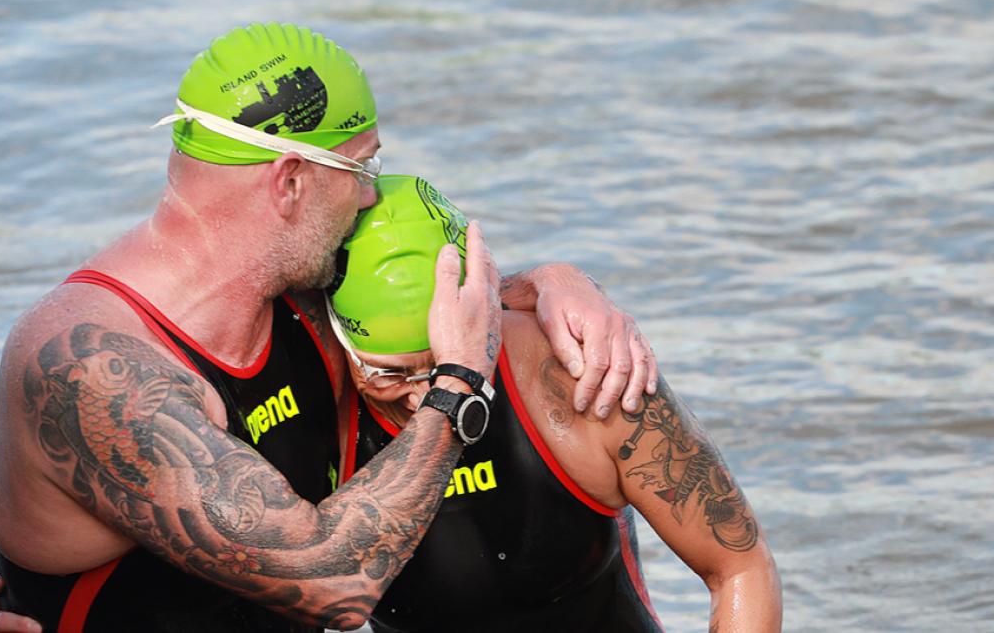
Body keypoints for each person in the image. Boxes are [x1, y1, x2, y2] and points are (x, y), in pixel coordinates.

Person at [0, 22, 658, 633]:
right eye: (363, 167)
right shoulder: (88, 366)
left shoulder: (298, 302)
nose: (369, 195)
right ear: (291, 181)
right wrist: (459, 389)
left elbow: (425, 287)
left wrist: (556, 283)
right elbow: (330, 586)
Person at [320, 176, 782, 631]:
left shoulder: (576, 374)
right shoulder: (314, 400)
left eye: (452, 363)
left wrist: (559, 277)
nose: (431, 397)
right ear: (337, 339)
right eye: (391, 374)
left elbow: (738, 567)